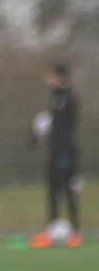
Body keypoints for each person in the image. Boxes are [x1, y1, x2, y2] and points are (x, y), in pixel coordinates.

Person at [30, 62, 82, 248]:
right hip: (53, 151)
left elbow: (67, 127)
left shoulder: (70, 98)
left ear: (60, 77)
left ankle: (75, 232)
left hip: (66, 152)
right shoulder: (54, 97)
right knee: (52, 190)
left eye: (52, 76)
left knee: (68, 190)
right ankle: (50, 231)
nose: (49, 80)